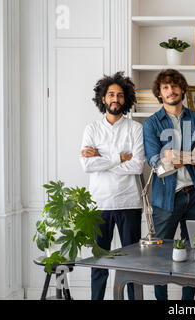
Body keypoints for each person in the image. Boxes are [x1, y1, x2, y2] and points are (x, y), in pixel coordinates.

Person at [143, 69, 195, 300]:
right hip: (166, 197)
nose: (171, 91)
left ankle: (187, 304)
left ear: (182, 89)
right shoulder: (152, 123)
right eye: (165, 87)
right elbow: (156, 161)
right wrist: (192, 153)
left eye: (174, 86)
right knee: (160, 254)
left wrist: (177, 155)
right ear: (159, 93)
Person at [80, 71, 145, 300]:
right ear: (103, 99)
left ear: (125, 99)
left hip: (129, 202)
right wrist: (119, 158)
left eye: (119, 95)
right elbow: (87, 166)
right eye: (110, 95)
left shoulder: (135, 129)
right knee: (99, 262)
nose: (115, 99)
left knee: (132, 264)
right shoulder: (91, 129)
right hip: (99, 203)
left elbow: (137, 166)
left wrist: (102, 157)